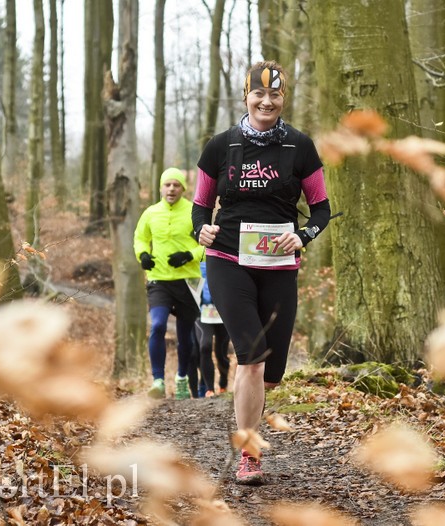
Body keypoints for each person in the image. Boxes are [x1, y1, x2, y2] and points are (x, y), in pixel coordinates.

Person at [192, 61, 331, 485]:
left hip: (277, 265)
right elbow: (200, 207)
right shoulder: (220, 146)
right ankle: (249, 454)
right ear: (246, 96)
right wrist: (201, 230)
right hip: (228, 259)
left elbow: (321, 210)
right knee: (251, 358)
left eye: (275, 95)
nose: (266, 102)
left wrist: (302, 236)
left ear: (283, 98)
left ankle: (250, 406)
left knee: (271, 371)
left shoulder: (299, 146)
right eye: (259, 94)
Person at [134, 167, 206, 400]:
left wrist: (189, 255)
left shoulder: (194, 212)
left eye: (176, 185)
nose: (172, 189)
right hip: (159, 279)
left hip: (188, 281)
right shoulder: (151, 213)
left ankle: (182, 377)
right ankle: (158, 380)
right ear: (161, 188)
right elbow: (140, 239)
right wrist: (143, 255)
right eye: (168, 185)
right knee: (157, 325)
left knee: (185, 336)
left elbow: (207, 245)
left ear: (183, 188)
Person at [195, 259, 231, 397]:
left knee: (221, 353)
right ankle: (209, 389)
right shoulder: (196, 256)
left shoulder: (224, 256)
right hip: (202, 312)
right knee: (205, 346)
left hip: (223, 312)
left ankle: (223, 383)